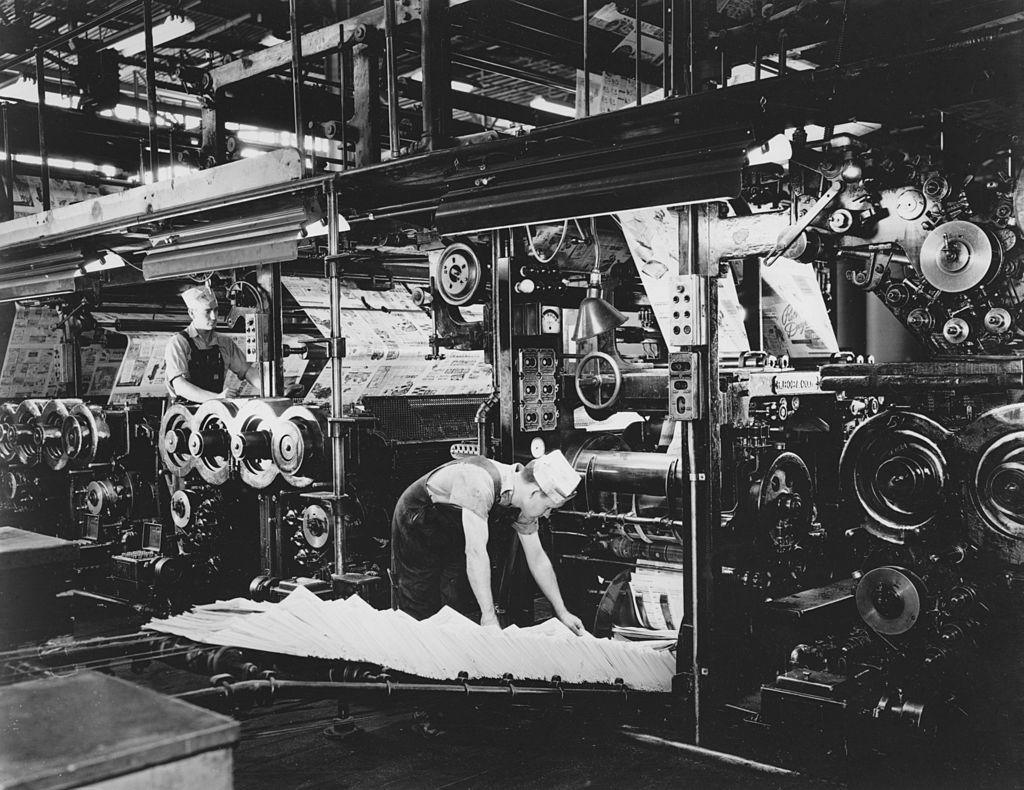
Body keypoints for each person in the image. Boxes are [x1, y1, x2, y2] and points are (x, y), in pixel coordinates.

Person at [391, 450, 586, 635]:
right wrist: (489, 616)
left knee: (453, 605)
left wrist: (562, 612)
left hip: (454, 530)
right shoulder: (479, 480)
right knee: (419, 607)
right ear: (534, 493)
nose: (546, 514)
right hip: (419, 522)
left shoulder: (523, 502)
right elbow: (476, 553)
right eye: (548, 507)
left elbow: (537, 558)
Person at [163, 285, 260, 403]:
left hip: (213, 411)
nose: (214, 316)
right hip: (185, 415)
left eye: (216, 310)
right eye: (207, 311)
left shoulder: (224, 343)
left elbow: (247, 371)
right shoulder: (178, 343)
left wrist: (274, 391)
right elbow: (180, 386)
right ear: (192, 313)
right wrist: (217, 398)